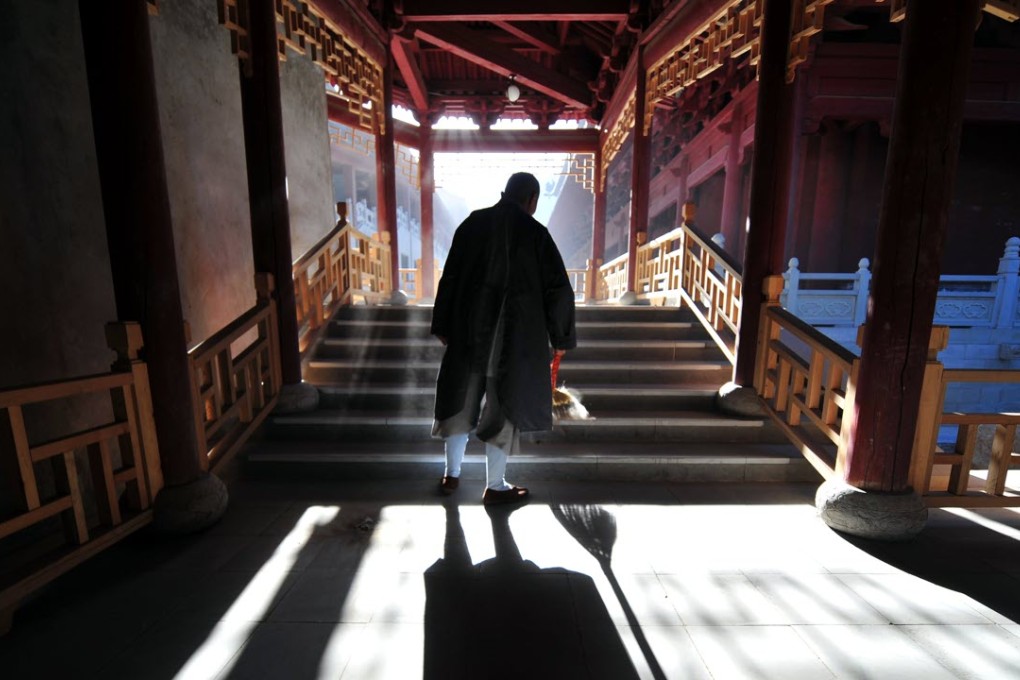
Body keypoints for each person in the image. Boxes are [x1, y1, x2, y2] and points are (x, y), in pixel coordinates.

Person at [430, 172, 577, 505]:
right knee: (503, 412)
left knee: (458, 405)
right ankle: (495, 487)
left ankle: (451, 475)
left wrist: (443, 324)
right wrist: (561, 337)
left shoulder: (472, 224)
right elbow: (558, 290)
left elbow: (450, 277)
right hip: (513, 343)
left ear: (504, 193)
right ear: (532, 200)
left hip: (468, 336)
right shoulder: (536, 234)